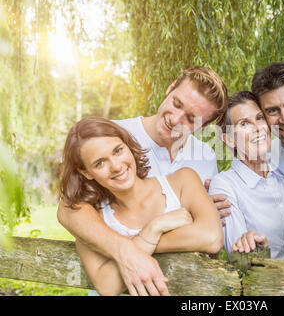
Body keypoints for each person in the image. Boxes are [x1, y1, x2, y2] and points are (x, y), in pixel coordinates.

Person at [57, 66, 230, 296]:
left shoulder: (205, 157)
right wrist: (127, 248)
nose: (175, 119)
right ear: (170, 89)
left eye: (191, 118)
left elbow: (209, 234)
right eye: (176, 103)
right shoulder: (116, 137)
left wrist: (203, 211)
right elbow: (68, 210)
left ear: (204, 126)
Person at [209, 92, 284, 259]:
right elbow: (239, 255)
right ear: (229, 140)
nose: (257, 127)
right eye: (244, 123)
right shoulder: (224, 185)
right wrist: (254, 246)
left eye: (259, 118)